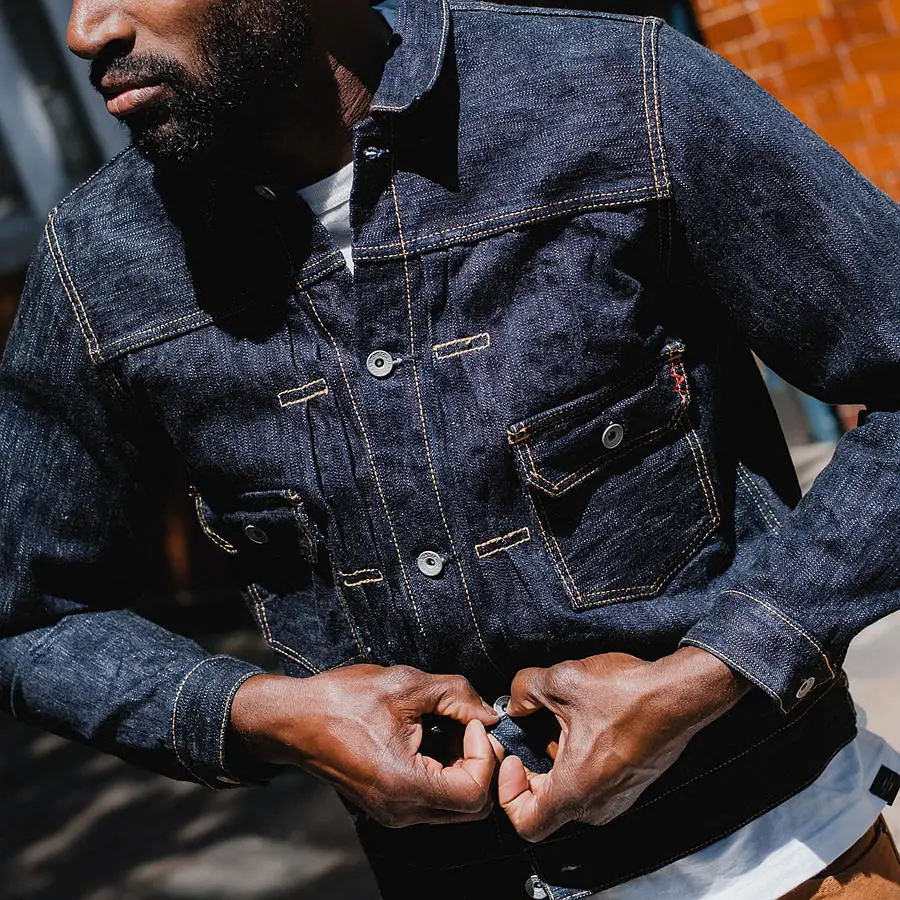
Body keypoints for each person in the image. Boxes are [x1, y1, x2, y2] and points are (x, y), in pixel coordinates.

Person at [1, 0, 899, 897]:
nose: (86, 30)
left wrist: (714, 670)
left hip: (789, 858)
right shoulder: (100, 259)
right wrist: (264, 714)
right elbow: (28, 614)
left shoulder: (621, 93)